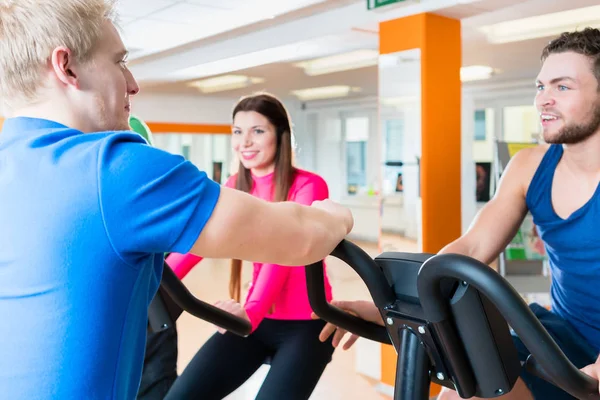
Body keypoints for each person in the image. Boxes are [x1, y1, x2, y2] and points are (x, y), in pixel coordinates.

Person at [0, 2, 353, 400]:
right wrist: (334, 214)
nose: (132, 83)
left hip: (303, 322)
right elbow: (302, 237)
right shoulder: (118, 169)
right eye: (119, 62)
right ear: (67, 67)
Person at [314, 27, 600, 399]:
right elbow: (472, 247)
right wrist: (396, 306)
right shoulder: (529, 167)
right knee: (461, 389)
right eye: (540, 86)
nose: (544, 99)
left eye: (562, 87)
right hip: (558, 336)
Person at [163, 92, 337, 400]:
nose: (245, 142)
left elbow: (284, 254)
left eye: (258, 131)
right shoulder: (234, 186)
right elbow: (199, 243)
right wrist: (155, 280)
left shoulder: (309, 185)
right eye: (237, 132)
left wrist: (249, 315)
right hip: (256, 319)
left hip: (306, 325)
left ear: (280, 135)